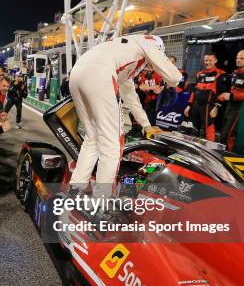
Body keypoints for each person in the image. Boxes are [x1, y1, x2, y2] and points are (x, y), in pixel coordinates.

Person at [68, 35, 181, 196]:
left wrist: (146, 124)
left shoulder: (124, 50)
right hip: (100, 74)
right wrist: (171, 81)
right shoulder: (149, 44)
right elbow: (174, 77)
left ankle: (75, 189)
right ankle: (101, 202)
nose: (149, 67)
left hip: (77, 73)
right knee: (112, 145)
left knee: (92, 138)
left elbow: (130, 96)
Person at [183, 53, 225, 141]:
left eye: (210, 60)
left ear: (215, 61)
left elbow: (221, 93)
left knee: (208, 128)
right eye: (206, 60)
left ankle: (210, 150)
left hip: (209, 106)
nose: (207, 62)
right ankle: (193, 147)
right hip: (196, 105)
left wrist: (216, 107)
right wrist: (189, 105)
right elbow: (194, 91)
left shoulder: (220, 74)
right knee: (193, 128)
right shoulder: (199, 74)